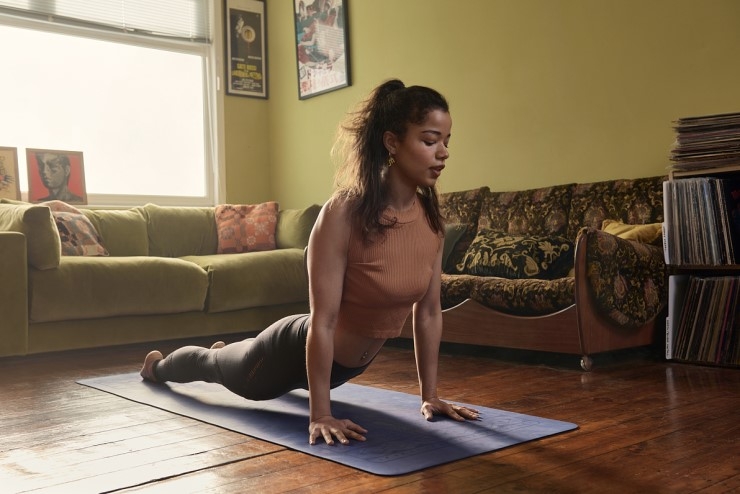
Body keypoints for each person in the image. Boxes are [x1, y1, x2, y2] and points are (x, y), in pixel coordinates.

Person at [139, 78, 480, 445]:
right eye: (430, 141)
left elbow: (427, 312)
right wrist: (321, 413)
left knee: (232, 359)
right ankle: (157, 368)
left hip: (344, 368)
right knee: (216, 368)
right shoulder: (343, 212)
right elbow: (324, 319)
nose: (443, 152)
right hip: (288, 352)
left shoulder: (431, 220)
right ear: (392, 143)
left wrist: (429, 396)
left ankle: (232, 353)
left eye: (446, 141)